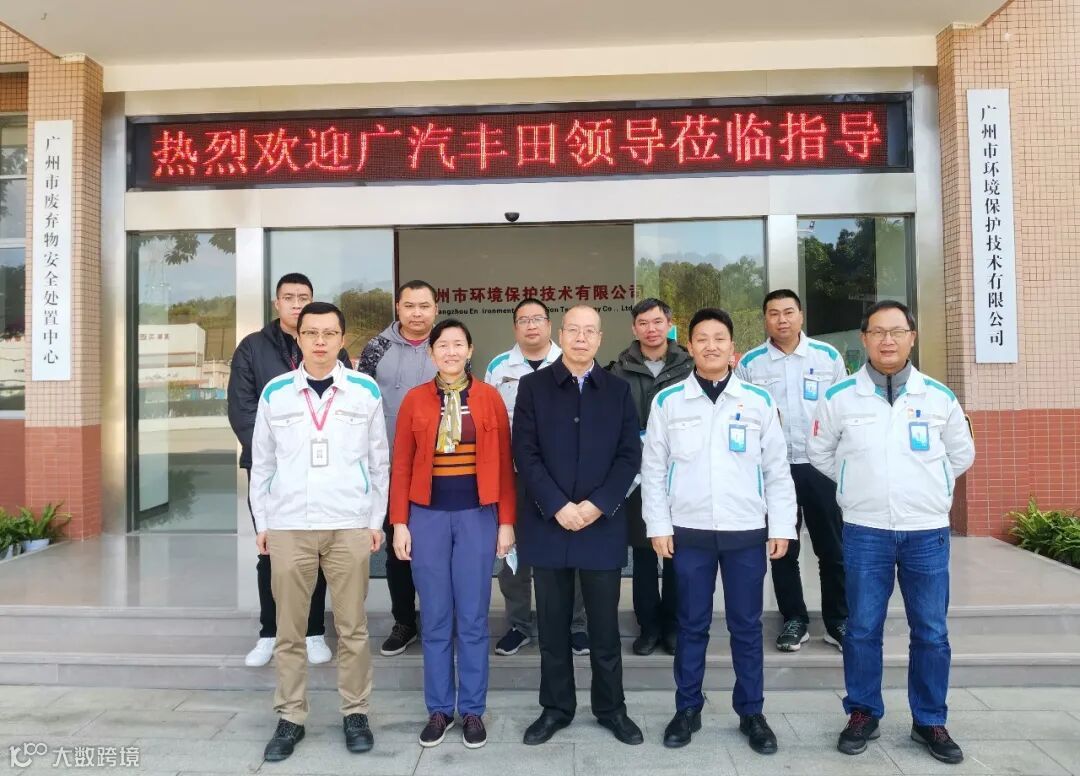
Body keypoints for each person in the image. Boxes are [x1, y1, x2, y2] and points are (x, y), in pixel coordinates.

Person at [806, 300, 975, 765]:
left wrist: (929, 489)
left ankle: (929, 719)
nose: (887, 340)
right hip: (866, 530)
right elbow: (820, 453)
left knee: (932, 631)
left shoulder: (938, 397)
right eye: (878, 332)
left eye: (897, 331)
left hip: (926, 532)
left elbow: (961, 454)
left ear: (911, 338)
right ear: (864, 339)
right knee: (862, 628)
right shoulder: (839, 397)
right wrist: (854, 485)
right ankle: (863, 712)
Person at [641, 307, 796, 755]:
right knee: (691, 625)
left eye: (719, 338)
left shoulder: (757, 401)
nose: (711, 346)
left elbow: (777, 469)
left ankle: (752, 711)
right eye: (702, 339)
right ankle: (687, 707)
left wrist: (781, 525)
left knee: (747, 626)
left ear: (733, 348)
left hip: (745, 531)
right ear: (689, 347)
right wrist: (658, 525)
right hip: (688, 532)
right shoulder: (668, 401)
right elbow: (653, 469)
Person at [249, 302, 389, 762]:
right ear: (299, 338)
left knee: (353, 629)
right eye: (311, 333)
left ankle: (356, 712)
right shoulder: (276, 393)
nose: (321, 341)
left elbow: (379, 462)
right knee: (289, 631)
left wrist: (374, 521)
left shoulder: (365, 390)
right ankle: (290, 716)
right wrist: (264, 523)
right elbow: (262, 464)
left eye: (330, 333)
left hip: (348, 524)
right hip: (290, 525)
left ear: (343, 339)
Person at [512, 305, 644, 747]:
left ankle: (611, 709)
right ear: (561, 334)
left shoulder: (617, 390)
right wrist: (557, 505)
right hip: (548, 524)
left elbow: (629, 455)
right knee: (552, 629)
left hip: (601, 525)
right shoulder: (533, 387)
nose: (581, 338)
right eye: (574, 330)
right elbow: (524, 452)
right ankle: (556, 708)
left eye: (590, 331)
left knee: (604, 630)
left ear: (600, 338)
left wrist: (597, 505)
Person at [390, 319, 517, 749]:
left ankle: (473, 710)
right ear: (431, 353)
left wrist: (505, 521)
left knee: (474, 617)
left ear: (470, 350)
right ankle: (440, 708)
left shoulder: (489, 398)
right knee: (436, 616)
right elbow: (402, 465)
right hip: (427, 517)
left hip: (477, 516)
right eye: (442, 345)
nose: (450, 351)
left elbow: (504, 464)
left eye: (457, 344)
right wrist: (400, 522)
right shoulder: (415, 400)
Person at [227, 272, 350, 668]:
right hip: (273, 472)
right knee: (272, 551)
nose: (297, 304)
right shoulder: (252, 348)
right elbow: (242, 409)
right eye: (289, 297)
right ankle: (270, 631)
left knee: (318, 550)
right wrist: (282, 454)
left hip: (324, 472)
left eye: (304, 297)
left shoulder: (331, 347)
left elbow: (343, 406)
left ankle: (313, 631)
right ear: (276, 303)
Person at [735, 289, 849, 653]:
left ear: (800, 316)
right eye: (773, 313)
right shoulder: (750, 364)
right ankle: (794, 619)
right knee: (783, 547)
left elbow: (842, 410)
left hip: (820, 466)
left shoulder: (827, 357)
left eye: (788, 312)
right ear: (765, 319)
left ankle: (838, 620)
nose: (781, 320)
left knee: (832, 547)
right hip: (775, 469)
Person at [485, 298, 589, 658]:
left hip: (563, 477)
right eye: (523, 320)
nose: (531, 325)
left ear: (550, 325)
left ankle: (576, 624)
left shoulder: (570, 360)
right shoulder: (498, 367)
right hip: (515, 475)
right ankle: (518, 624)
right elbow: (491, 424)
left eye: (537, 319)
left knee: (571, 548)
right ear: (515, 327)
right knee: (513, 552)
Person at [358, 279, 439, 657]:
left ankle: (438, 619)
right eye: (410, 306)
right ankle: (404, 621)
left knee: (437, 548)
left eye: (424, 306)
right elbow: (361, 401)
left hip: (441, 469)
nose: (417, 313)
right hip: (391, 467)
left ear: (435, 308)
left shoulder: (446, 343)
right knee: (398, 549)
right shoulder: (377, 347)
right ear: (398, 308)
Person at [608, 297, 693, 656]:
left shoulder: (689, 366)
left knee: (676, 553)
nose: (651, 329)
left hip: (682, 474)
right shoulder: (619, 370)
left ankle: (673, 625)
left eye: (657, 322)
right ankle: (649, 627)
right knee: (643, 554)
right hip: (636, 477)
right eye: (643, 323)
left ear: (669, 324)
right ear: (634, 328)